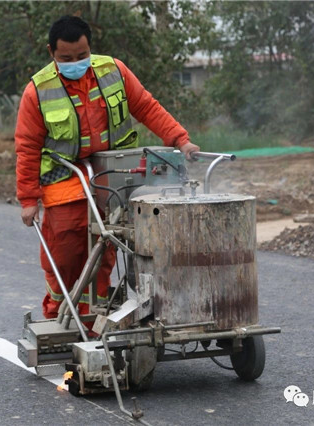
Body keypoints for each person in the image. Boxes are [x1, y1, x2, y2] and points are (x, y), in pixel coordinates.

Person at [15, 15, 200, 320]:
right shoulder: (38, 91)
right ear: (52, 53)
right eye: (66, 58)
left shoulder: (113, 71)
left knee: (105, 249)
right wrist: (27, 199)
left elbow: (147, 107)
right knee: (64, 253)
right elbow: (27, 147)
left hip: (111, 177)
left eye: (81, 56)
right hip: (64, 179)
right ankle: (58, 312)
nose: (75, 63)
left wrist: (181, 140)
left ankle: (94, 318)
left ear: (90, 48)